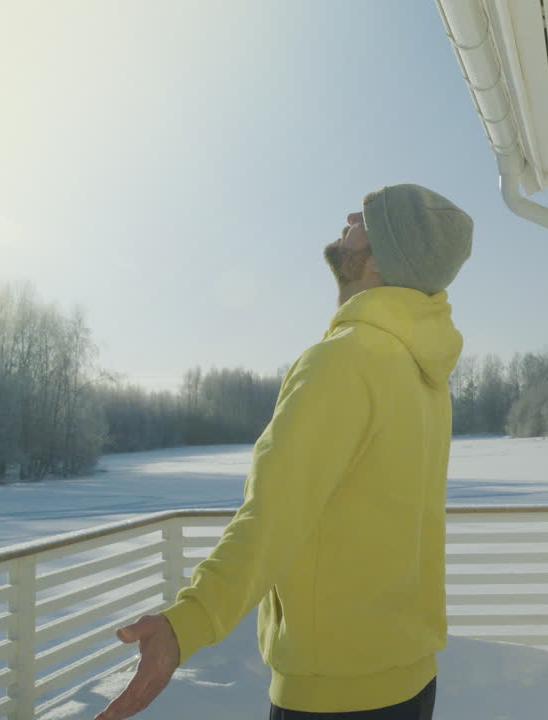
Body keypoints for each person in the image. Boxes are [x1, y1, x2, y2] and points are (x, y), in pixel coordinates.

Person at [95, 184, 473, 720]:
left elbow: (271, 517)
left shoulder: (343, 362)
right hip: (410, 680)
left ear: (380, 260)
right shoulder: (421, 370)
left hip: (334, 696)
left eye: (366, 218)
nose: (350, 216)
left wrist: (188, 623)